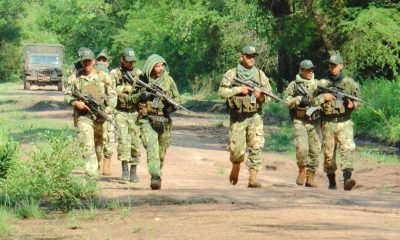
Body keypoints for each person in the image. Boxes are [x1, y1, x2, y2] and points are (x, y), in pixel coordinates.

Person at [218, 45, 272, 188]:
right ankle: (236, 165)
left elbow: (269, 97)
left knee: (256, 146)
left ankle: (253, 178)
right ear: (242, 56)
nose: (252, 58)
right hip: (238, 117)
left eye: (254, 56)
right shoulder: (232, 73)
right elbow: (221, 92)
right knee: (236, 150)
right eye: (248, 56)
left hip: (255, 116)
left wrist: (260, 97)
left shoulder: (260, 75)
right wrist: (238, 90)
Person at [64, 48, 117, 180]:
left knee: (99, 149)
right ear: (81, 62)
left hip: (100, 118)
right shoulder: (75, 78)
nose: (87, 63)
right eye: (84, 61)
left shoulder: (103, 76)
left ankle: (96, 166)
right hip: (83, 117)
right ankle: (91, 175)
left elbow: (113, 96)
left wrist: (107, 110)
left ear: (94, 62)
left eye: (89, 61)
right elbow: (67, 95)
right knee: (88, 145)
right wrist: (76, 103)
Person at [135, 54, 180, 190]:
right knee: (152, 147)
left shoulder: (168, 80)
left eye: (161, 65)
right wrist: (142, 95)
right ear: (150, 66)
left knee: (161, 153)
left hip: (164, 120)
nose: (160, 68)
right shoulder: (141, 80)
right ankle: (155, 176)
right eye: (157, 66)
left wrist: (172, 104)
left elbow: (177, 98)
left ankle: (157, 172)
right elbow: (130, 99)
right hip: (147, 119)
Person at [317, 55, 360, 190]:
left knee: (347, 150)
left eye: (335, 65)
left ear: (341, 66)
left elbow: (358, 101)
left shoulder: (350, 83)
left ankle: (347, 180)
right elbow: (311, 101)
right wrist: (324, 97)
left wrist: (354, 105)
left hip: (345, 122)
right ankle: (332, 182)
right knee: (328, 154)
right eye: (330, 65)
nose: (332, 67)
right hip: (328, 122)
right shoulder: (322, 83)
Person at [284, 60, 321, 187]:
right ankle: (301, 170)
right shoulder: (294, 85)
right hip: (300, 120)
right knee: (301, 148)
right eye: (307, 70)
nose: (310, 72)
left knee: (315, 150)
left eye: (311, 69)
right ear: (301, 70)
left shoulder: (318, 85)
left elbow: (324, 99)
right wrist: (299, 99)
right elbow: (287, 101)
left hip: (315, 122)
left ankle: (311, 177)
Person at [109, 48, 142, 183]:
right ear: (121, 60)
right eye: (128, 61)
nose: (130, 64)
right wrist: (124, 88)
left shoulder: (139, 73)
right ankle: (124, 171)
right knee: (123, 140)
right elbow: (110, 90)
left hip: (135, 111)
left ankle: (133, 172)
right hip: (120, 111)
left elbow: (143, 90)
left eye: (132, 61)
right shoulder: (115, 73)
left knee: (135, 142)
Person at [94, 52, 115, 176]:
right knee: (96, 140)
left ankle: (106, 163)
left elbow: (113, 95)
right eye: (99, 60)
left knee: (108, 140)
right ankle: (95, 163)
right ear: (95, 62)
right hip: (95, 113)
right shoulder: (92, 75)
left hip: (108, 112)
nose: (101, 62)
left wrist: (108, 109)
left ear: (107, 63)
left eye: (104, 60)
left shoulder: (111, 76)